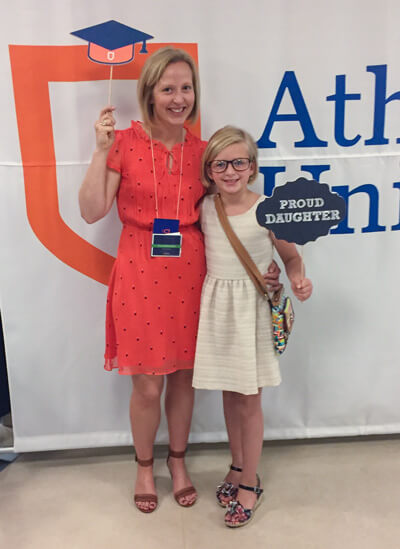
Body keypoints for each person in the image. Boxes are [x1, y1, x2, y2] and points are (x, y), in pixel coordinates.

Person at [79, 48, 281, 514]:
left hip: (192, 273)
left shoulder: (203, 152)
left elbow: (233, 210)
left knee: (185, 379)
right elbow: (91, 211)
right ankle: (145, 465)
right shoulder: (125, 144)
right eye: (167, 88)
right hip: (138, 269)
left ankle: (178, 461)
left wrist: (267, 262)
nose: (178, 98)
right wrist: (100, 150)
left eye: (185, 88)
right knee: (148, 384)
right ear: (148, 92)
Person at [192, 126, 313, 528]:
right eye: (220, 164)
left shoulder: (267, 210)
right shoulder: (205, 208)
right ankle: (238, 463)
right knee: (231, 392)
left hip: (251, 311)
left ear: (253, 167)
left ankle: (250, 482)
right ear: (209, 170)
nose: (230, 172)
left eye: (239, 162)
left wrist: (297, 278)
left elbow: (291, 259)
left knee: (250, 398)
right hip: (219, 310)